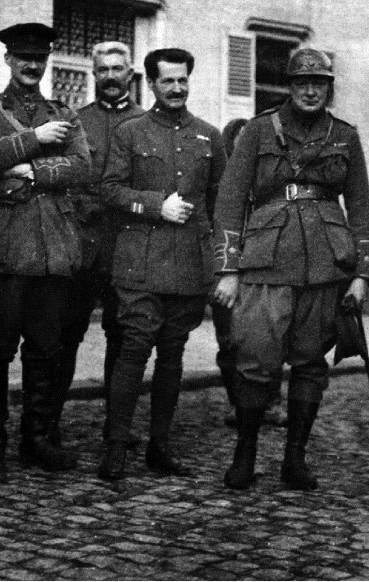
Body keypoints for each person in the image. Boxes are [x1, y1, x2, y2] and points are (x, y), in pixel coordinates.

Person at [213, 47, 369, 492]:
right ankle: (244, 454)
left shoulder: (344, 135)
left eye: (319, 83)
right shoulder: (257, 131)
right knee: (255, 360)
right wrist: (228, 269)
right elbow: (229, 202)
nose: (310, 90)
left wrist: (362, 275)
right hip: (265, 262)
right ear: (289, 86)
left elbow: (360, 206)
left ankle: (294, 460)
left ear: (329, 88)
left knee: (310, 364)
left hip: (326, 265)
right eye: (302, 83)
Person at [0, 23, 91, 482]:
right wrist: (37, 138)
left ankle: (37, 438)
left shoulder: (65, 112)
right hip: (6, 245)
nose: (31, 65)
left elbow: (84, 166)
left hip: (54, 246)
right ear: (8, 59)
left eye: (39, 57)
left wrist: (31, 171)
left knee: (45, 347)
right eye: (22, 56)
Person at [97, 48, 226, 480]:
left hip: (190, 263)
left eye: (182, 80)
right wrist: (156, 206)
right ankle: (116, 446)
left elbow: (220, 201)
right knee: (133, 350)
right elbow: (111, 190)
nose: (176, 88)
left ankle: (160, 445)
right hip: (140, 261)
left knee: (172, 356)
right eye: (167, 81)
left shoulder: (210, 135)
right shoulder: (131, 132)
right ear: (150, 84)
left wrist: (218, 259)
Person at [58, 41, 144, 445]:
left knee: (122, 336)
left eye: (117, 69)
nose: (110, 77)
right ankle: (46, 426)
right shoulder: (75, 121)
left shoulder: (147, 123)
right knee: (65, 334)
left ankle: (118, 426)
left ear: (131, 74)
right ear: (93, 75)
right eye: (102, 70)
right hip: (82, 247)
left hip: (127, 247)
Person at [212, 117, 287, 429]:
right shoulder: (222, 183)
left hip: (263, 269)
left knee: (268, 338)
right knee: (229, 341)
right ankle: (236, 402)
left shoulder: (269, 184)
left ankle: (271, 400)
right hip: (226, 270)